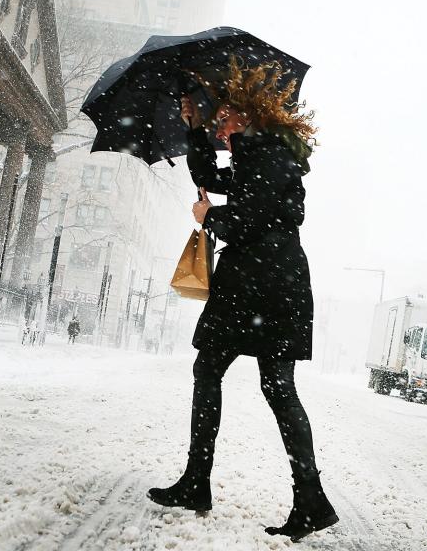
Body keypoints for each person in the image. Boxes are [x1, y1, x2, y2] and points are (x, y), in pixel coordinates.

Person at [147, 59, 338, 543]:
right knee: (245, 377)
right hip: (269, 283)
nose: (219, 124)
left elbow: (246, 221)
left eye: (224, 116)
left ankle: (296, 495)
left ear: (248, 113)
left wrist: (209, 215)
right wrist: (191, 128)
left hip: (263, 284)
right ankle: (213, 483)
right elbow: (210, 173)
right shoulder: (262, 153)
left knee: (262, 382)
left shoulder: (269, 156)